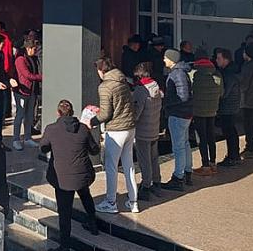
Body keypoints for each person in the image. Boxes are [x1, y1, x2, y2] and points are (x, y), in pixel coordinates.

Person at [40, 99, 100, 247]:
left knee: (64, 210)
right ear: (72, 113)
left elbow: (43, 148)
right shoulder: (83, 129)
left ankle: (64, 245)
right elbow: (95, 150)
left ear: (58, 113)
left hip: (61, 177)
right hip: (82, 173)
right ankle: (93, 224)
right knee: (85, 194)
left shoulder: (51, 129)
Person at [91, 57, 138, 214]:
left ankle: (111, 202)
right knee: (129, 166)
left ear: (101, 70)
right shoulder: (122, 79)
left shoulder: (105, 86)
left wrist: (91, 121)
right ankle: (133, 202)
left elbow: (105, 113)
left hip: (116, 130)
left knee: (111, 167)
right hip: (129, 128)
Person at [160, 49, 194, 191]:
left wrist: (166, 100)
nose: (163, 60)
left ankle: (178, 177)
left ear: (172, 59)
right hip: (185, 113)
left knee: (178, 146)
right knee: (184, 144)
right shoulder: (181, 72)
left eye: (165, 58)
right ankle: (187, 172)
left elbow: (183, 96)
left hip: (178, 114)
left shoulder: (177, 73)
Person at [132, 62, 163, 200]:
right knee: (154, 158)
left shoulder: (141, 90)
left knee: (144, 160)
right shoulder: (156, 86)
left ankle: (145, 186)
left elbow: (136, 114)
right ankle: (157, 183)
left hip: (143, 131)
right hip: (154, 128)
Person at [191, 49, 223, 175]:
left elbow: (190, 91)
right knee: (211, 135)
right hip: (212, 109)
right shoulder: (217, 74)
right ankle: (213, 163)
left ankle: (205, 165)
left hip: (198, 109)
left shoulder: (193, 73)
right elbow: (222, 93)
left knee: (201, 138)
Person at [13, 37, 42, 151]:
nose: (35, 51)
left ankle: (27, 137)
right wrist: (41, 77)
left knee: (30, 115)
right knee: (20, 115)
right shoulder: (20, 59)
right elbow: (27, 75)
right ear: (28, 48)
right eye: (34, 49)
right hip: (22, 91)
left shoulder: (33, 58)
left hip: (32, 91)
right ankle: (16, 139)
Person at [215, 48, 242, 167]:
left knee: (229, 131)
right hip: (231, 106)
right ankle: (233, 155)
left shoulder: (228, 74)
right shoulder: (230, 71)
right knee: (230, 131)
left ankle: (233, 156)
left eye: (219, 58)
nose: (217, 60)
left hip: (228, 107)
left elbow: (225, 92)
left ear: (226, 59)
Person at [0, 22, 15, 118]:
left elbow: (7, 56)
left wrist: (6, 69)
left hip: (4, 68)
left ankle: (6, 111)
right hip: (3, 68)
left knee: (5, 91)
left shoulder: (5, 40)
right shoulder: (0, 39)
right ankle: (6, 110)